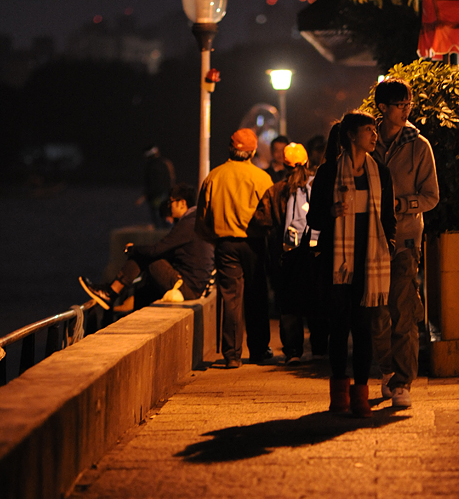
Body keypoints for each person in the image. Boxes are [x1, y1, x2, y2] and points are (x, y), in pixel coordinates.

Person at [307, 111, 396, 417]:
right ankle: (339, 395)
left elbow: (388, 220)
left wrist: (391, 247)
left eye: (375, 130)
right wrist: (331, 211)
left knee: (363, 329)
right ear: (351, 136)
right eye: (369, 130)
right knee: (338, 328)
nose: (375, 135)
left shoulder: (381, 173)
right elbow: (312, 219)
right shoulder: (329, 172)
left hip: (369, 262)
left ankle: (360, 395)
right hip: (336, 263)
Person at [371, 79, 440, 409]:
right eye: (401, 104)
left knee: (403, 311)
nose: (407, 109)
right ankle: (386, 370)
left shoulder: (419, 145)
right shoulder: (368, 143)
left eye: (409, 103)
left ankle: (403, 381)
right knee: (375, 313)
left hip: (406, 239)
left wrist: (400, 204)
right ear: (383, 108)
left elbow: (432, 197)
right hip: (372, 241)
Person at [196, 128, 273, 369]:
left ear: (231, 148)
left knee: (230, 298)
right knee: (256, 296)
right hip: (254, 243)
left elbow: (202, 219)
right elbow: (271, 215)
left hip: (225, 244)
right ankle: (259, 350)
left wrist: (214, 238)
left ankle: (231, 354)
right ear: (252, 151)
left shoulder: (214, 177)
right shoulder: (262, 178)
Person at [251, 142, 328, 363]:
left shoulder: (275, 191)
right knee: (317, 301)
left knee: (289, 304)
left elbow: (261, 220)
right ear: (306, 162)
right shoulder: (319, 188)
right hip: (315, 255)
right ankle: (320, 348)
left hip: (285, 258)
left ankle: (293, 351)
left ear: (284, 165)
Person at [79, 183, 214, 309]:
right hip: (195, 287)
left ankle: (111, 293)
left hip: (186, 287)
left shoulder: (188, 225)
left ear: (182, 203)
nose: (169, 206)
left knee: (145, 256)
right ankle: (120, 299)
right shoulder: (198, 221)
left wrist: (133, 249)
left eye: (171, 201)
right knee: (147, 262)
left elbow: (157, 250)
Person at [136, 144, 176, 228]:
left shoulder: (150, 166)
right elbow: (170, 179)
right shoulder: (165, 163)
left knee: (159, 219)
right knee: (166, 218)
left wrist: (146, 195)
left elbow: (152, 183)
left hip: (157, 196)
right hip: (166, 194)